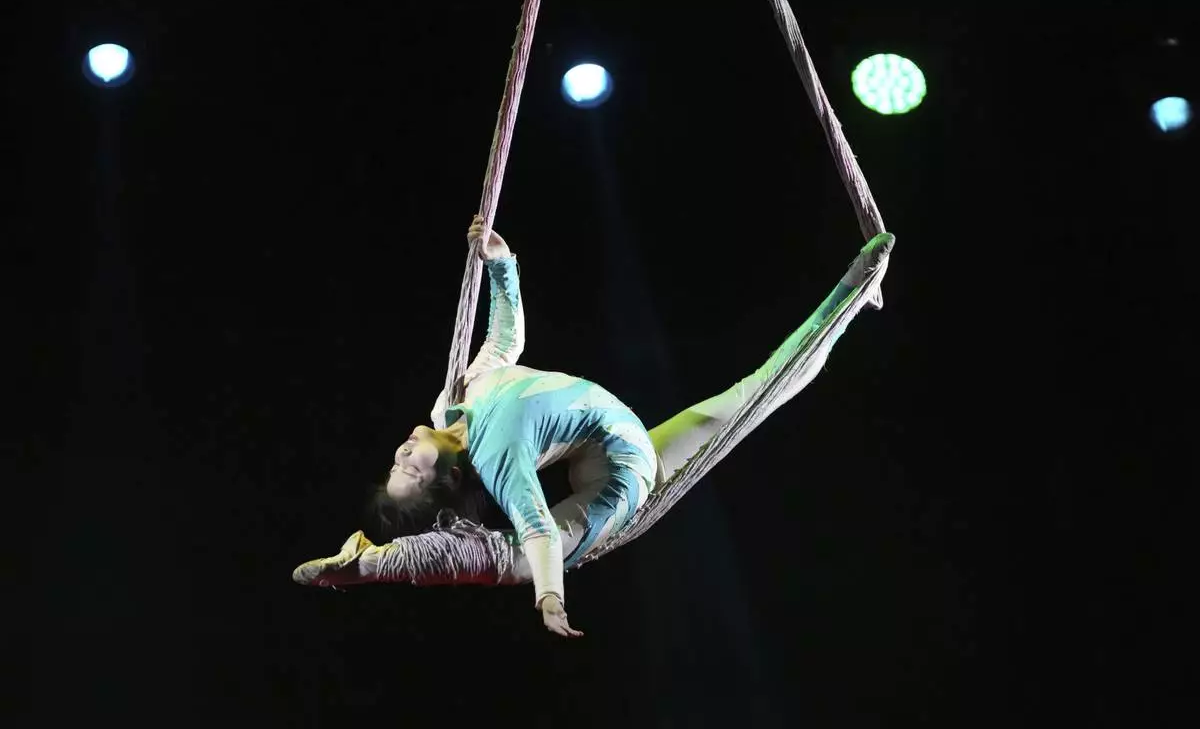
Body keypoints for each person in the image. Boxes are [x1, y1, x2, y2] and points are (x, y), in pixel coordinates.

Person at [293, 215, 895, 637]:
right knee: (755, 394)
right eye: (409, 474)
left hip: (617, 440)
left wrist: (502, 266)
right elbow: (540, 533)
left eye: (393, 465)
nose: (399, 456)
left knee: (751, 394)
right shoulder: (498, 452)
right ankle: (379, 565)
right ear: (444, 482)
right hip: (620, 479)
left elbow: (504, 342)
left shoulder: (448, 404)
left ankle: (848, 295)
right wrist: (550, 597)